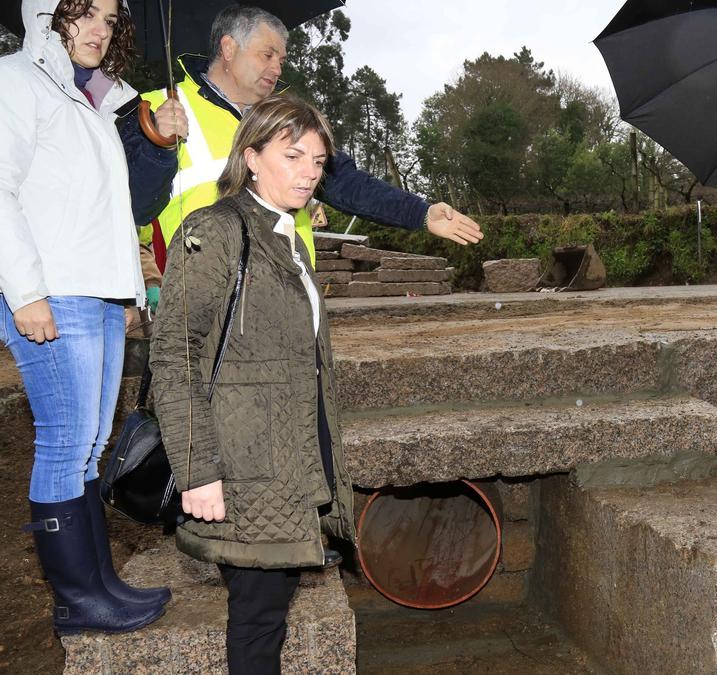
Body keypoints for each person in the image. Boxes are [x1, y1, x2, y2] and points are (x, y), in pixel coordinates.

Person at [149, 95, 356, 674]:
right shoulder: (215, 230)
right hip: (242, 464)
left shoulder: (286, 234)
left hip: (289, 461)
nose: (310, 172)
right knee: (259, 618)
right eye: (294, 156)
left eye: (318, 161)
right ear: (252, 157)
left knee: (267, 612)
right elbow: (174, 352)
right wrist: (197, 468)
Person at [0, 0, 184, 635]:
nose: (101, 29)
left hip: (98, 295)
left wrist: (129, 290)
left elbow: (123, 210)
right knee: (65, 442)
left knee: (87, 449)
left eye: (110, 18)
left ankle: (99, 583)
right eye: (85, 13)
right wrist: (24, 292)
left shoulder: (100, 105)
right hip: (53, 292)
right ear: (48, 13)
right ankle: (78, 600)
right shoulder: (15, 82)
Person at [134, 5, 482, 271]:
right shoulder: (160, 110)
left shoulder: (284, 119)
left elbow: (346, 183)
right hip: (205, 305)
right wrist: (157, 146)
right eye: (267, 55)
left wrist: (420, 213)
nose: (277, 68)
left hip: (291, 296)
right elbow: (135, 204)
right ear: (228, 48)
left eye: (282, 59)